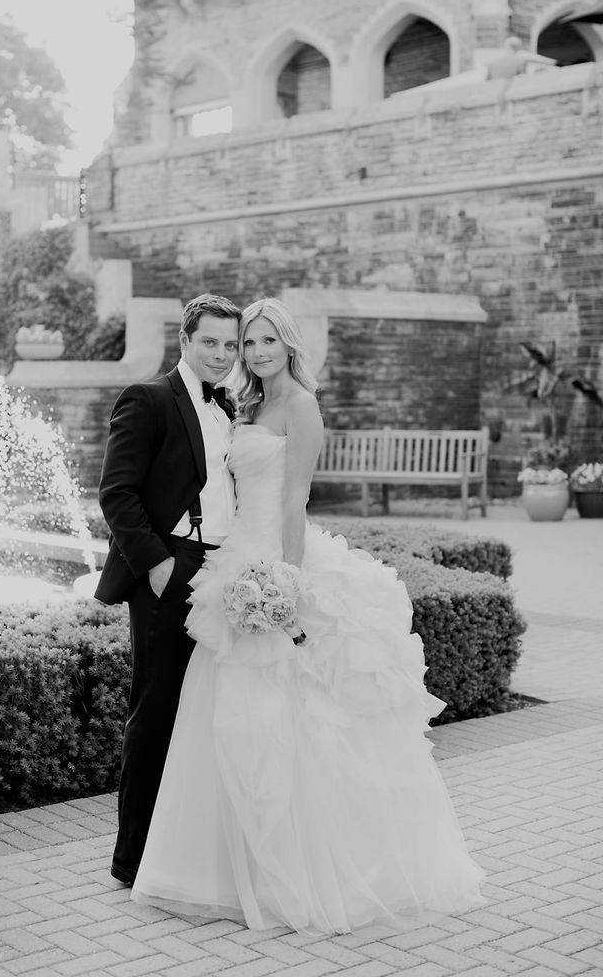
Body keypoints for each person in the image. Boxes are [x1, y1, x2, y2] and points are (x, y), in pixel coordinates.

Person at [130, 297, 485, 934]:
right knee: (221, 716)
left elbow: (295, 499)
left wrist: (288, 583)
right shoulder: (244, 404)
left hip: (277, 559)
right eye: (248, 344)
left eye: (267, 342)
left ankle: (300, 869)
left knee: (287, 714)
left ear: (288, 345)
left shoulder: (299, 405)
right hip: (233, 558)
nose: (256, 353)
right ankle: (217, 868)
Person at [95, 292, 241, 886]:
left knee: (209, 711)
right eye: (210, 342)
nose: (221, 355)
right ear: (185, 341)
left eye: (231, 345)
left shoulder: (229, 405)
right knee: (156, 711)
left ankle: (183, 854)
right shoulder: (149, 398)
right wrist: (157, 565)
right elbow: (116, 492)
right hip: (171, 566)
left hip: (224, 568)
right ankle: (132, 861)